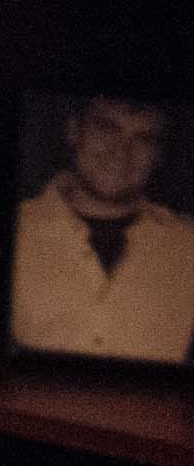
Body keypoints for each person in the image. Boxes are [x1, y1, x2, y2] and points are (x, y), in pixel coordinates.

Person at [12, 94, 194, 360]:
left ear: (159, 156)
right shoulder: (12, 233)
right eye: (107, 127)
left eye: (144, 138)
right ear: (74, 131)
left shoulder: (187, 246)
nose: (122, 150)